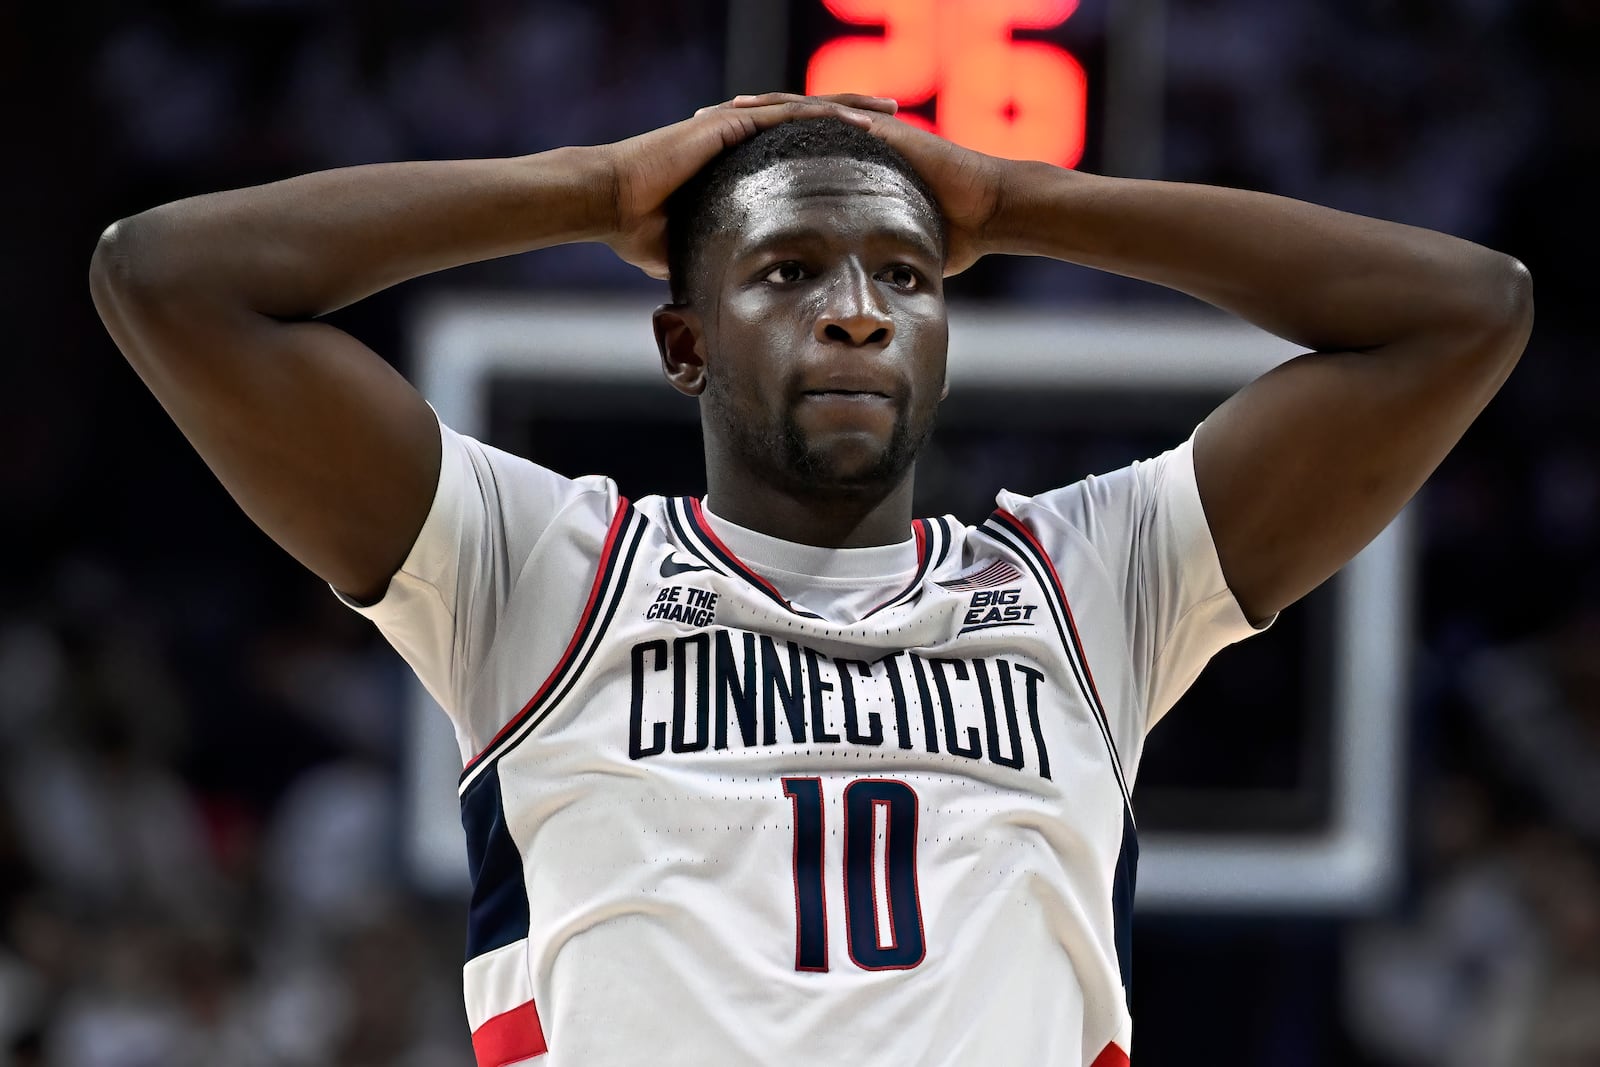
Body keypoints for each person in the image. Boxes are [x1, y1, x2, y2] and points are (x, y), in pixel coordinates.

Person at [90, 91, 1531, 1066]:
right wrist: (597, 187)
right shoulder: (541, 572)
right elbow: (167, 278)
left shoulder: (1095, 582)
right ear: (683, 345)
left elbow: (1462, 314)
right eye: (787, 272)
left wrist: (1017, 198)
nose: (855, 312)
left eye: (906, 278)